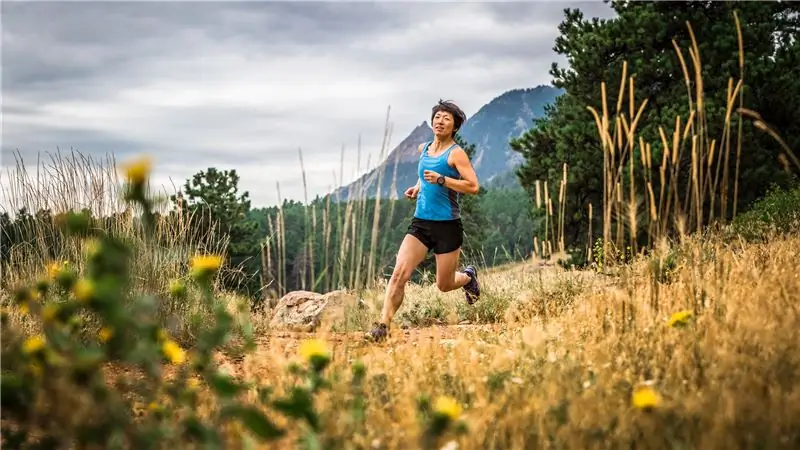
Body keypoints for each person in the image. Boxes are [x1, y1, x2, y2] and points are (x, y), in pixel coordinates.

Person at [366, 100, 481, 342]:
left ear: (455, 127)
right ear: (432, 121)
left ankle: (469, 277)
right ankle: (383, 326)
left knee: (444, 284)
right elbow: (424, 174)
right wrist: (418, 187)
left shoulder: (456, 154)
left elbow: (473, 186)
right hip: (420, 224)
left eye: (447, 118)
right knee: (399, 274)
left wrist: (442, 180)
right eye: (438, 116)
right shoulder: (424, 148)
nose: (440, 121)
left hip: (447, 226)